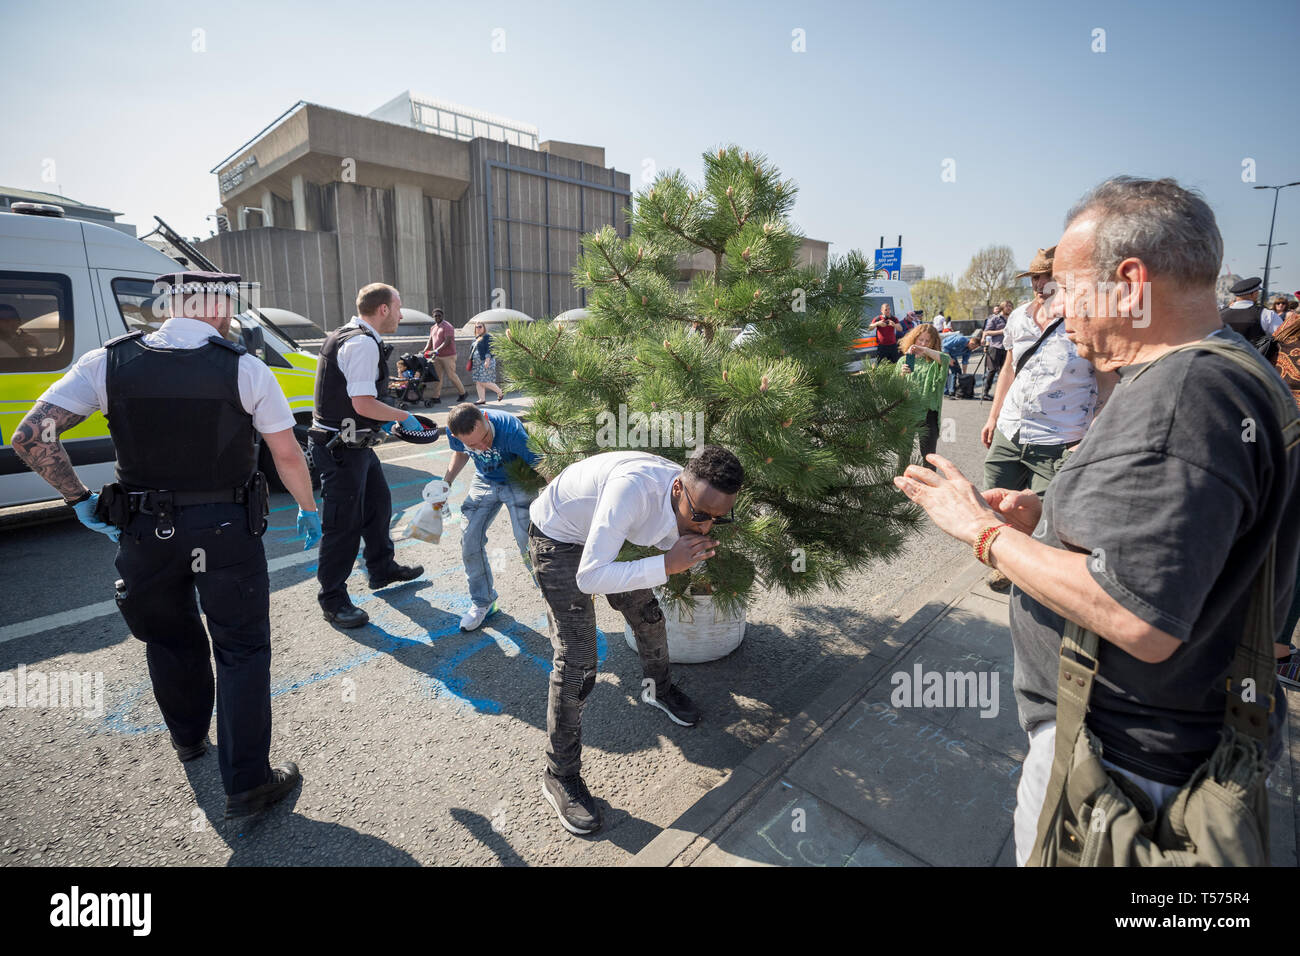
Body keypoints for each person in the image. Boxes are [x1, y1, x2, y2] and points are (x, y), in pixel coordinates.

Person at [896, 176, 1299, 866]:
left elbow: (1137, 617)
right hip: (1164, 741)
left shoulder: (1182, 396)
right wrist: (1048, 522)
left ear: (1131, 285)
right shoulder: (1233, 371)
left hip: (1128, 769)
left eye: (1068, 290)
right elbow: (1187, 542)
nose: (1059, 310)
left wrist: (981, 532)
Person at [10, 271, 320, 820]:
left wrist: (77, 498)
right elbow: (288, 454)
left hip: (143, 532)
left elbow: (32, 435)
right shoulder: (244, 368)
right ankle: (247, 784)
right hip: (226, 531)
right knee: (242, 651)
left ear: (165, 308)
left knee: (169, 638)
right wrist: (308, 508)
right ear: (221, 309)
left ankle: (188, 739)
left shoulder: (108, 361)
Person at [528, 446, 743, 834]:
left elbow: (663, 535)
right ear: (678, 488)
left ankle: (658, 689)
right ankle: (558, 774)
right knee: (578, 662)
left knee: (649, 617)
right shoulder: (631, 491)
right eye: (700, 516)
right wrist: (666, 564)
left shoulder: (689, 494)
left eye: (718, 519)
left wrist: (683, 550)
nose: (706, 526)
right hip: (558, 539)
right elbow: (590, 577)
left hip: (601, 533)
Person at [979, 245, 1116, 591]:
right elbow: (1010, 369)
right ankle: (1005, 565)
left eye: (1048, 277)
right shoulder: (1019, 317)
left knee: (1045, 517)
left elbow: (1107, 381)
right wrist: (994, 417)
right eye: (1036, 277)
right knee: (997, 501)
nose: (1040, 284)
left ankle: (1035, 578)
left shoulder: (1084, 319)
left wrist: (1091, 435)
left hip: (1059, 439)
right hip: (1011, 430)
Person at [309, 283, 424, 628]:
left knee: (378, 506)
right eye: (399, 307)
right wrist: (404, 416)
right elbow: (361, 402)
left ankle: (382, 568)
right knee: (342, 526)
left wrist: (380, 423)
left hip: (353, 443)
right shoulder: (360, 343)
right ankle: (332, 599)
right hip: (342, 449)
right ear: (384, 309)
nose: (402, 315)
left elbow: (354, 403)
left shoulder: (352, 336)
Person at [443, 403, 541, 631]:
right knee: (469, 540)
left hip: (519, 480)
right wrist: (445, 483)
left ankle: (552, 596)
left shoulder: (510, 429)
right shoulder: (454, 431)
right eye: (472, 445)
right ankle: (483, 602)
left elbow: (542, 465)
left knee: (528, 540)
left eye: (484, 438)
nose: (481, 446)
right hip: (485, 480)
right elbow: (459, 453)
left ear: (485, 418)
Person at [896, 324, 947, 470]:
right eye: (920, 340)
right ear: (914, 339)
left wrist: (925, 351)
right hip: (908, 412)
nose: (923, 344)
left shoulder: (935, 361)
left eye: (927, 341)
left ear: (933, 343)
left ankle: (930, 488)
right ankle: (901, 486)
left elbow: (946, 360)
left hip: (928, 414)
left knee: (929, 456)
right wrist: (901, 374)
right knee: (903, 454)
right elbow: (893, 387)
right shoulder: (903, 360)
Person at [423, 308, 467, 405]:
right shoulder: (433, 327)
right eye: (435, 316)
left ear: (442, 316)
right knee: (437, 377)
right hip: (437, 356)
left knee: (451, 376)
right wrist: (425, 350)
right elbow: (430, 341)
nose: (437, 317)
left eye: (439, 315)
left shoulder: (448, 326)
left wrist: (436, 350)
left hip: (448, 356)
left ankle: (463, 393)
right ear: (433, 317)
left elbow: (447, 341)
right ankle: (436, 397)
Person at [1219, 276, 1270, 347]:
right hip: (1253, 357)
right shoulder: (1266, 314)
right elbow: (1283, 338)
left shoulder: (1219, 314)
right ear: (1254, 294)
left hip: (1222, 357)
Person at [468, 321, 504, 403]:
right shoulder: (476, 338)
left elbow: (490, 348)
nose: (478, 328)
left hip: (486, 361)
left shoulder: (487, 336)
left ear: (484, 327)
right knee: (478, 381)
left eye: (480, 326)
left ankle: (500, 392)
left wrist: (487, 360)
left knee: (484, 381)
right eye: (477, 327)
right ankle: (482, 399)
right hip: (476, 363)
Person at [941, 328, 984, 395]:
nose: (974, 349)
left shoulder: (969, 350)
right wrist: (949, 359)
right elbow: (945, 347)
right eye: (974, 347)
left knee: (957, 371)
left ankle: (952, 390)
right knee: (945, 372)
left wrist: (964, 375)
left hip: (952, 355)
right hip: (943, 352)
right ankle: (944, 391)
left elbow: (965, 362)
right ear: (971, 343)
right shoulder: (960, 340)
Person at [982, 301, 1010, 399]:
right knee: (992, 370)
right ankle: (985, 392)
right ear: (1002, 307)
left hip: (1007, 348)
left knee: (1004, 372)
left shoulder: (1012, 319)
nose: (1010, 308)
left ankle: (1002, 393)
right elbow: (986, 332)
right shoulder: (994, 319)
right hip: (995, 347)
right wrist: (1001, 331)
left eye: (1011, 306)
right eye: (1007, 306)